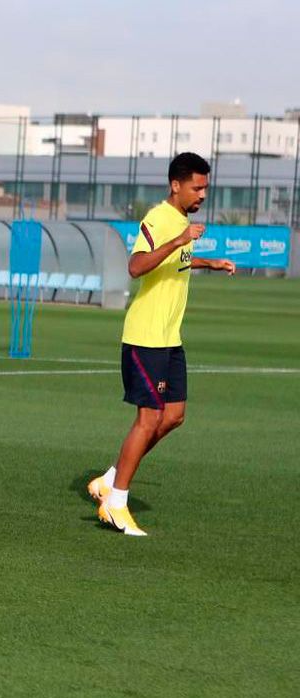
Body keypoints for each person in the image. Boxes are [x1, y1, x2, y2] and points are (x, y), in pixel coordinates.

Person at [87, 152, 236, 536]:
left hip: (169, 339)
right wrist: (180, 239)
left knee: (173, 417)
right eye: (197, 187)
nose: (203, 193)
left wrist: (209, 262)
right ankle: (115, 503)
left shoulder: (181, 222)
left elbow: (177, 261)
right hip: (145, 337)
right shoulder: (158, 218)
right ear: (176, 185)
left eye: (205, 187)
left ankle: (109, 479)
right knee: (148, 418)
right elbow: (137, 266)